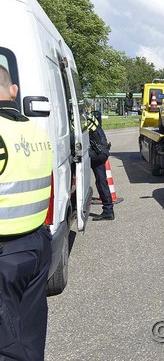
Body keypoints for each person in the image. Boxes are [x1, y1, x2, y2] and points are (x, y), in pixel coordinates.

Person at [0, 65, 53, 360]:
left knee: (6, 346)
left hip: (5, 253)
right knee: (30, 334)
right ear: (13, 91)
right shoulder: (35, 130)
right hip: (37, 243)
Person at [88, 110, 115, 221]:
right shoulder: (87, 116)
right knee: (101, 181)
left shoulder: (82, 120)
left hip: (97, 153)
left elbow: (75, 136)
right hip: (102, 152)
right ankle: (108, 211)